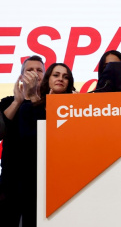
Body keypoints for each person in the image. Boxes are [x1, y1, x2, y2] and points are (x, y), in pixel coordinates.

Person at [18, 62, 75, 227]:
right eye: (56, 75)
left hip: (66, 180)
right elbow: (29, 140)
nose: (60, 79)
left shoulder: (77, 110)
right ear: (48, 79)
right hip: (35, 179)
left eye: (65, 77)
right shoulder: (29, 108)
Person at [0, 55, 45, 227]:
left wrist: (34, 96)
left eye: (39, 70)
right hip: (10, 179)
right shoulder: (7, 102)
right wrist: (18, 101)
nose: (35, 74)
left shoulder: (49, 104)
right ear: (21, 76)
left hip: (39, 180)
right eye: (30, 70)